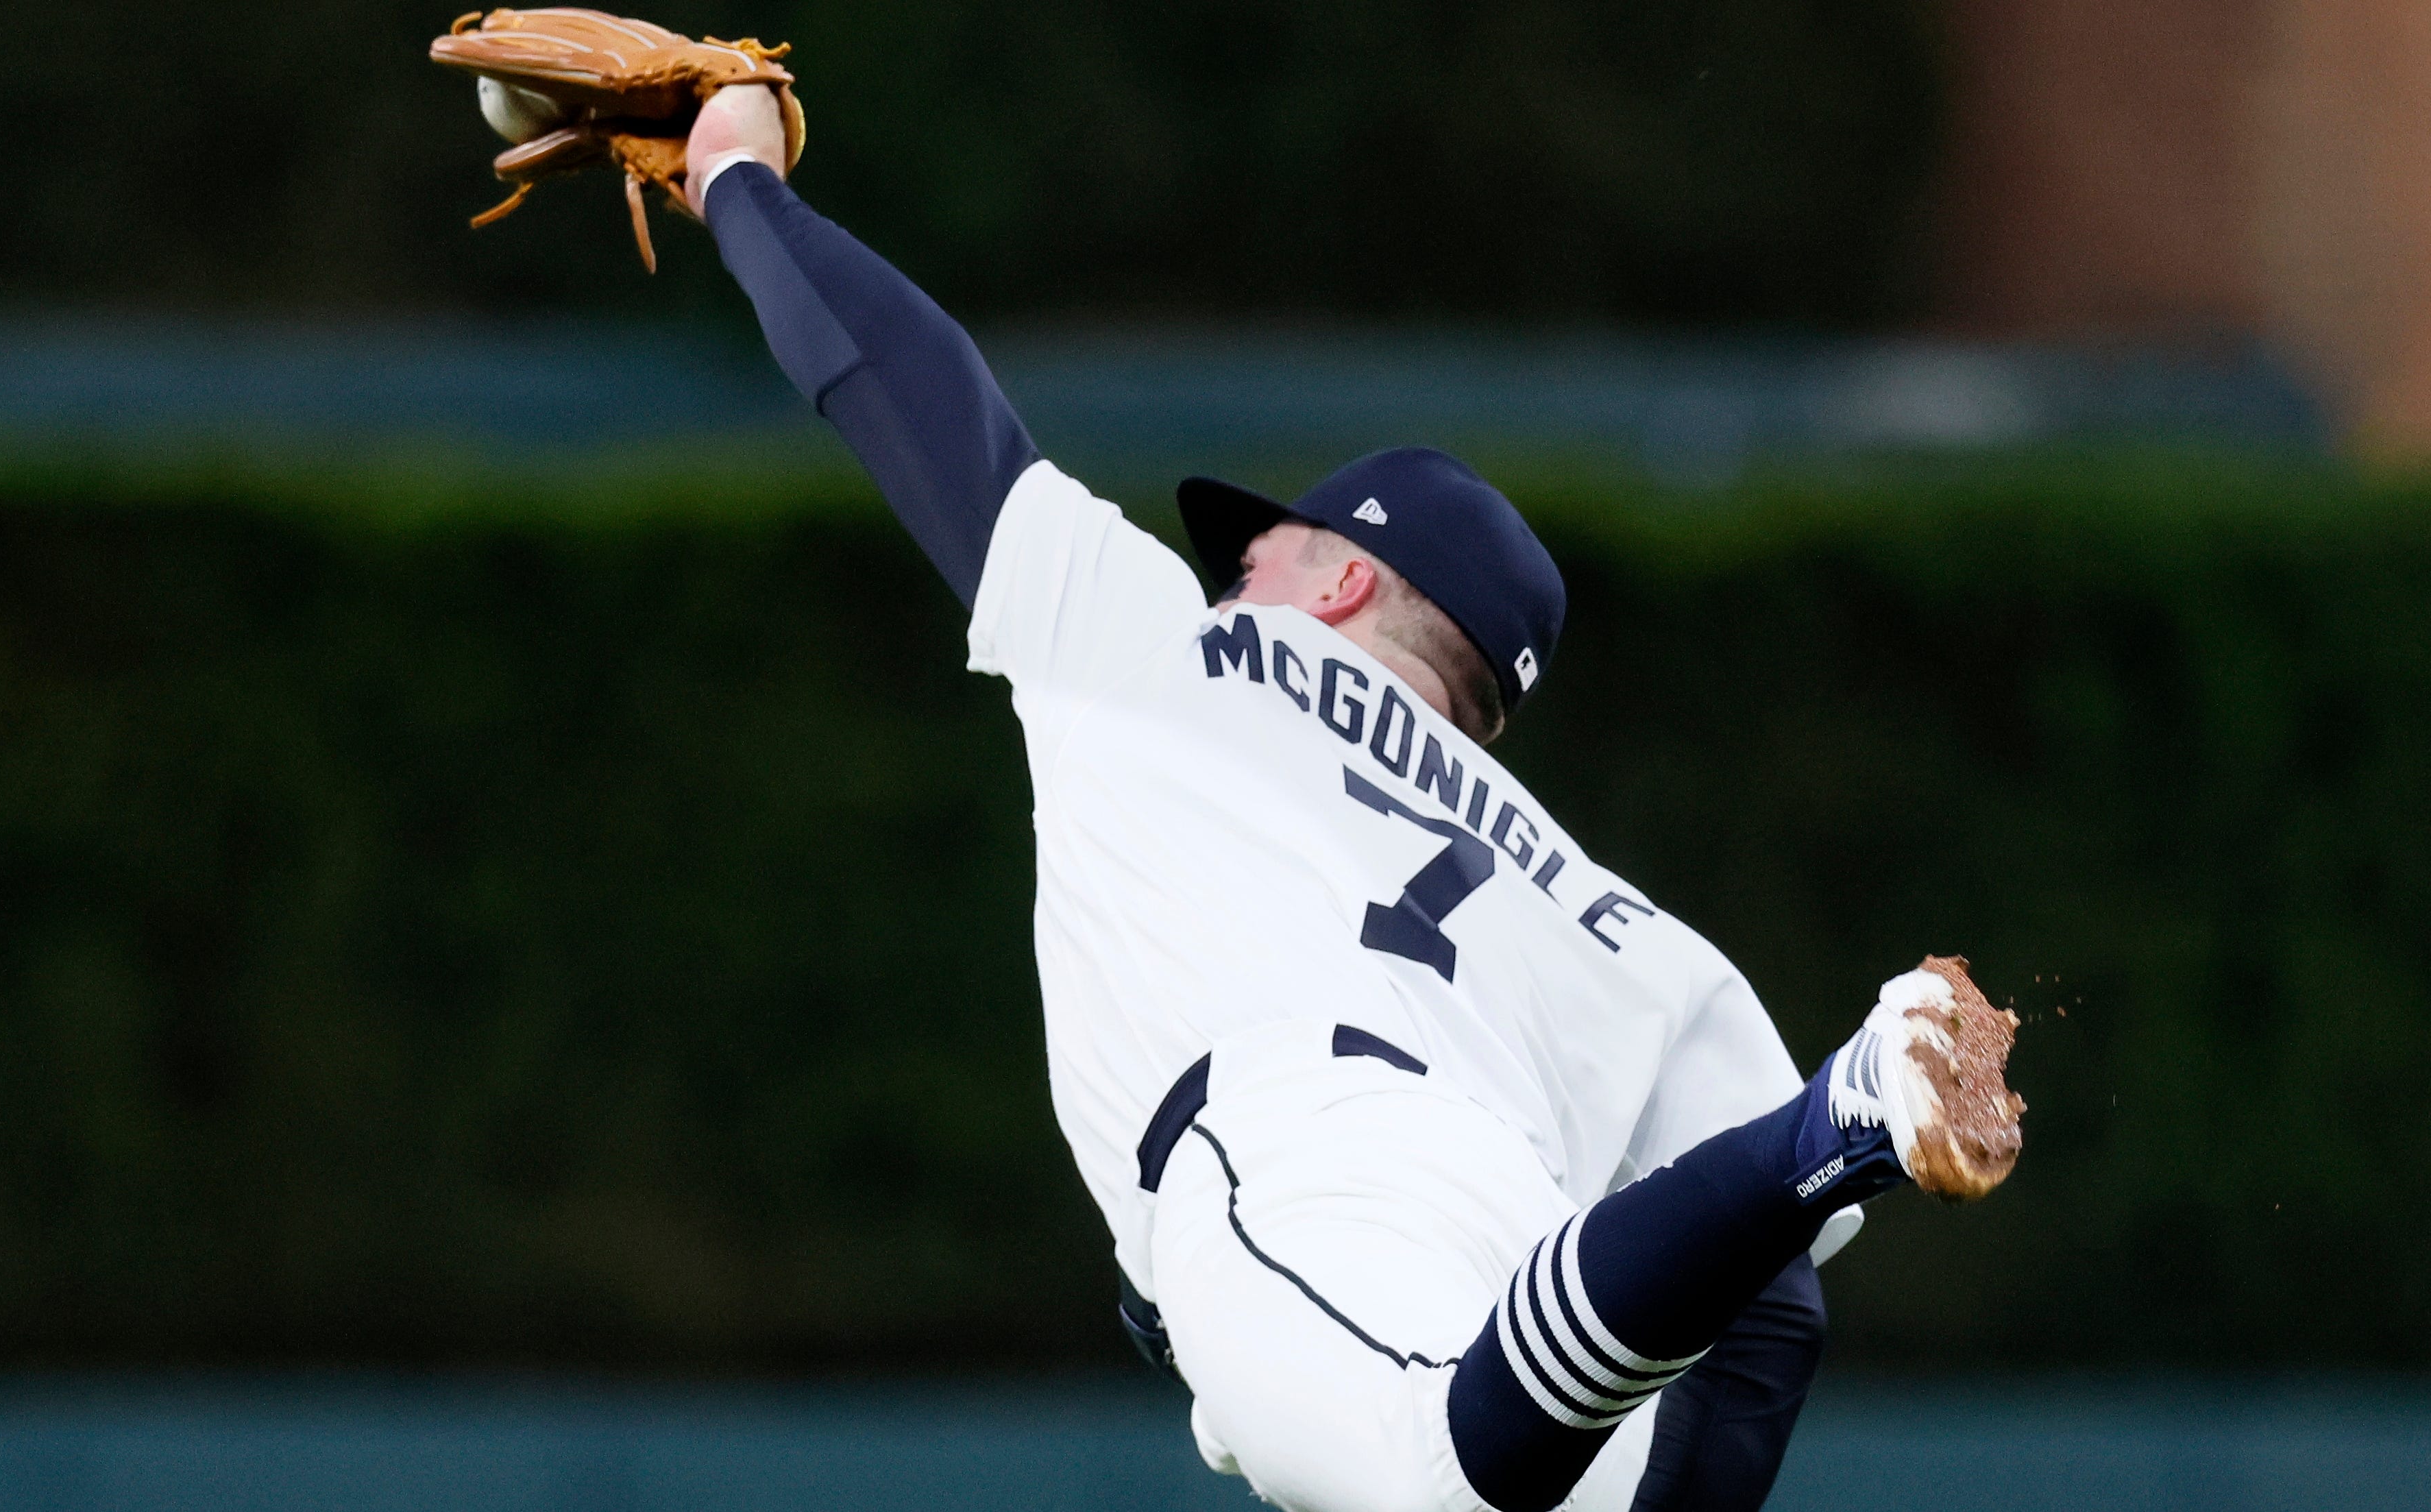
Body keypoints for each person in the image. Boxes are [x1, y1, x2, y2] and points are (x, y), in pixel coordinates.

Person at [670, 84, 2021, 1512]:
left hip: (1296, 1151)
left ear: (1346, 579)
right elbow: (1768, 1308)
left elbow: (904, 383)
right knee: (1595, 1381)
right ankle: (1823, 1128)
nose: (1227, 577)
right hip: (1525, 1256)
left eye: (1258, 553)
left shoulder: (1184, 651)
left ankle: (1836, 1118)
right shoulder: (1610, 920)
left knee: (1433, 1467)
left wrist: (737, 180)